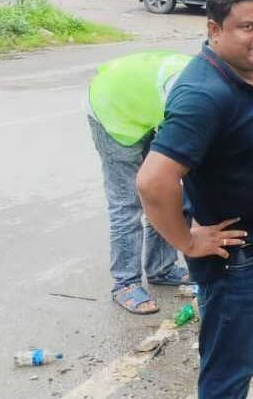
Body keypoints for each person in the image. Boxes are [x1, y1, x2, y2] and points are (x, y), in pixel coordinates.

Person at [136, 0, 253, 399]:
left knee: (243, 359)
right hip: (236, 264)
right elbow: (154, 181)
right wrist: (187, 241)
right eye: (248, 27)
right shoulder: (203, 94)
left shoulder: (252, 71)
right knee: (226, 378)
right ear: (214, 29)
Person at [88, 51, 193, 314]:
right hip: (113, 109)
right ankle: (125, 283)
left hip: (149, 105)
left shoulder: (217, 86)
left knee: (167, 193)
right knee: (127, 203)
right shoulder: (192, 97)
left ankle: (161, 268)